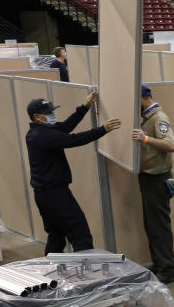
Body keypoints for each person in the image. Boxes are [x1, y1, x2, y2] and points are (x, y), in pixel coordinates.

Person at [25, 93, 120, 255]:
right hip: (55, 195)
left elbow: (65, 127)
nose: (52, 115)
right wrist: (102, 130)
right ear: (37, 117)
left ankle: (49, 271)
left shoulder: (38, 132)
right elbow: (73, 140)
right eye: (48, 114)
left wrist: (84, 107)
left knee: (57, 235)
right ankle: (85, 276)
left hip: (45, 195)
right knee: (81, 234)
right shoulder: (42, 136)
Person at [132, 85, 174, 284]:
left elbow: (171, 145)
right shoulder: (148, 118)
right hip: (148, 179)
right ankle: (159, 264)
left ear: (142, 99)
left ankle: (168, 270)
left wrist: (145, 139)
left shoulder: (159, 118)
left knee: (159, 227)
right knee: (152, 226)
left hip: (158, 180)